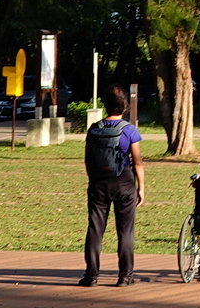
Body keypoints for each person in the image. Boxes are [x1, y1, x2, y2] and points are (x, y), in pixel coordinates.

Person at [79, 85, 144, 287]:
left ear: (105, 105)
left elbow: (87, 158)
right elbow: (138, 162)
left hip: (98, 182)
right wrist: (141, 187)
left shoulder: (94, 128)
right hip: (124, 182)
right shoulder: (130, 130)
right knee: (125, 231)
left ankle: (91, 275)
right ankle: (125, 276)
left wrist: (93, 178)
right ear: (124, 105)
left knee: (95, 229)